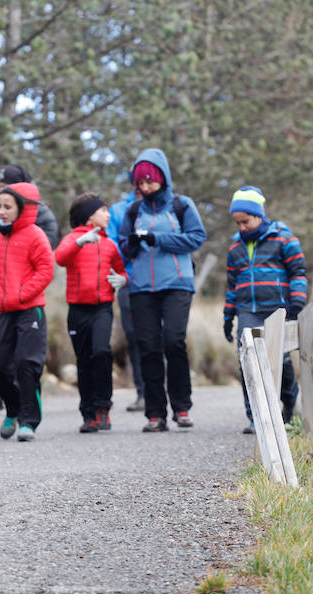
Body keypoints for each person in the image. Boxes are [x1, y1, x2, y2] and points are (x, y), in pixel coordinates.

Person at [118, 148, 206, 432]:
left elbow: (196, 238)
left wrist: (158, 239)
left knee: (173, 341)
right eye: (140, 183)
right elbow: (123, 247)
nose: (144, 188)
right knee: (149, 347)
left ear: (163, 179)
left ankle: (182, 407)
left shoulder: (182, 205)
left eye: (150, 182)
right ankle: (155, 414)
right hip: (142, 287)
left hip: (177, 284)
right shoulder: (133, 210)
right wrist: (131, 244)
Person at [0, 182, 54, 442]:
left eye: (8, 207)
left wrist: (20, 294)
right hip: (4, 311)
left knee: (26, 365)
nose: (2, 212)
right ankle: (13, 409)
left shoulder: (36, 235)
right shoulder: (0, 236)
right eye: (0, 206)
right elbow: (0, 272)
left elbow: (46, 270)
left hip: (31, 311)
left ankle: (29, 420)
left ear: (23, 209)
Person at [223, 186, 307, 434]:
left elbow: (298, 273)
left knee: (280, 362)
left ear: (258, 215)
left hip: (277, 310)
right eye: (237, 223)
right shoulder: (234, 248)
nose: (241, 227)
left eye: (245, 221)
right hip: (247, 309)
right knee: (248, 361)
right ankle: (256, 417)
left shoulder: (283, 238)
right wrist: (228, 316)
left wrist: (296, 304)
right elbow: (231, 286)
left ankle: (289, 406)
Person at [55, 193, 127, 433]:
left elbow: (121, 270)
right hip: (77, 310)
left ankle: (103, 407)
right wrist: (79, 242)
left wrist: (122, 280)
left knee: (102, 352)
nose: (108, 214)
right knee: (84, 360)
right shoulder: (72, 239)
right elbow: (60, 258)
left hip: (102, 308)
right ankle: (89, 414)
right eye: (103, 210)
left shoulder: (110, 244)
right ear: (89, 215)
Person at [106, 189, 147, 411]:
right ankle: (143, 393)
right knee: (134, 337)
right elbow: (114, 245)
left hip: (159, 283)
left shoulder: (167, 207)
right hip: (129, 283)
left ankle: (160, 392)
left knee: (158, 338)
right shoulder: (120, 210)